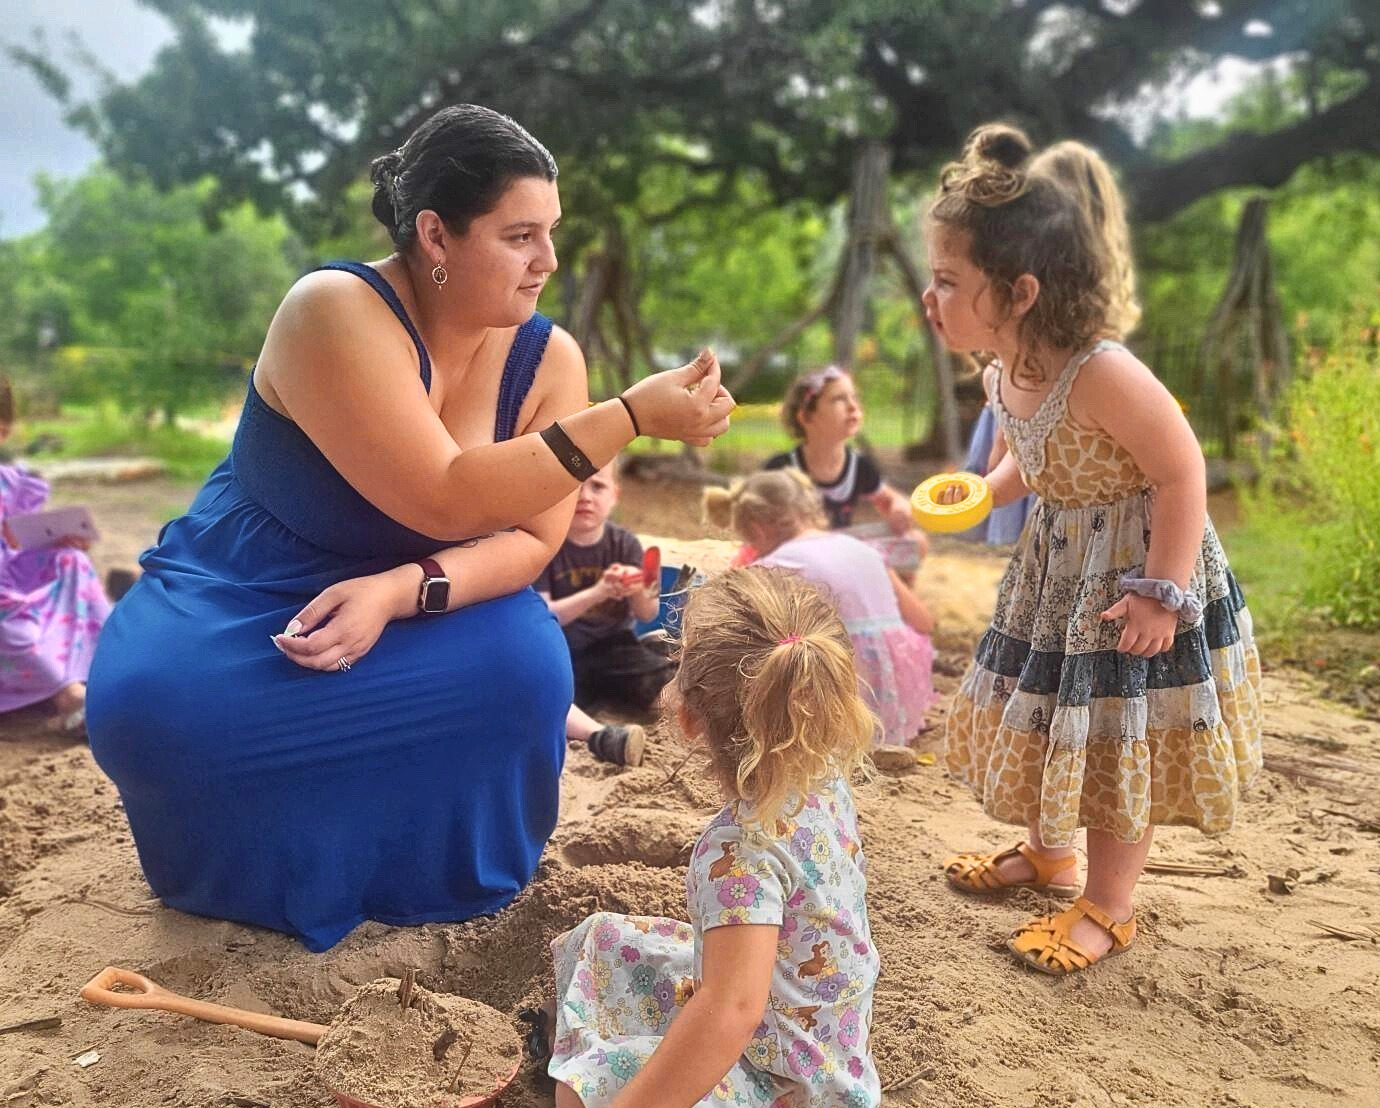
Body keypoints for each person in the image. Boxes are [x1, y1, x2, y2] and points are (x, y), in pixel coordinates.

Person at [85, 104, 734, 952]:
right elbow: (446, 497)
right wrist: (630, 416)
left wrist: (400, 591)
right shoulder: (332, 308)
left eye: (551, 233)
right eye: (520, 236)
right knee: (155, 708)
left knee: (525, 669)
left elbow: (532, 542)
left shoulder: (550, 359)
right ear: (435, 234)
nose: (548, 260)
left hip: (428, 605)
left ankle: (431, 874)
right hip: (253, 593)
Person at [924, 124, 1261, 975]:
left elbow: (1182, 472)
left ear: (1020, 291)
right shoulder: (1005, 369)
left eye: (948, 281)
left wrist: (1161, 591)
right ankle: (1050, 858)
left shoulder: (1102, 371)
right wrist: (985, 491)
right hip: (1058, 574)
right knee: (1051, 714)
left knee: (1112, 730)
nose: (930, 297)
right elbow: (1029, 457)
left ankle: (1110, 905)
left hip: (1130, 580)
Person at [544, 567, 881, 1108]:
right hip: (816, 1031)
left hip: (788, 1082)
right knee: (604, 936)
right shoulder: (824, 771)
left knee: (587, 1084)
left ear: (689, 718)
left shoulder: (737, 853)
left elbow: (731, 1013)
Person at [704, 470, 937, 750]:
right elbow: (924, 622)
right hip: (897, 703)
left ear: (757, 529)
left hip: (842, 707)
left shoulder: (775, 567)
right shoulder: (864, 549)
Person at [535, 459, 671, 768]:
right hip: (562, 649)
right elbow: (545, 615)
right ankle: (604, 735)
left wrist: (637, 588)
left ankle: (649, 654)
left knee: (663, 689)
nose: (585, 496)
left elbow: (648, 612)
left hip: (614, 647)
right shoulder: (546, 544)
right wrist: (599, 591)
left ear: (614, 496)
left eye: (597, 486)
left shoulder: (625, 544)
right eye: (576, 486)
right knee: (544, 697)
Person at [0, 378, 110, 735]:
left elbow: (18, 541)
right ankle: (69, 696)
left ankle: (106, 665)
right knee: (9, 616)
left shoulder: (10, 483)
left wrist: (55, 540)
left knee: (70, 560)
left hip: (10, 576)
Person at [760, 366, 927, 570]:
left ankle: (886, 589)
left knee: (915, 542)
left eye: (854, 397)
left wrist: (898, 507)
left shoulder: (858, 465)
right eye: (839, 399)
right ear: (806, 417)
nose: (853, 406)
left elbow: (888, 499)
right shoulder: (781, 469)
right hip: (797, 555)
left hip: (841, 547)